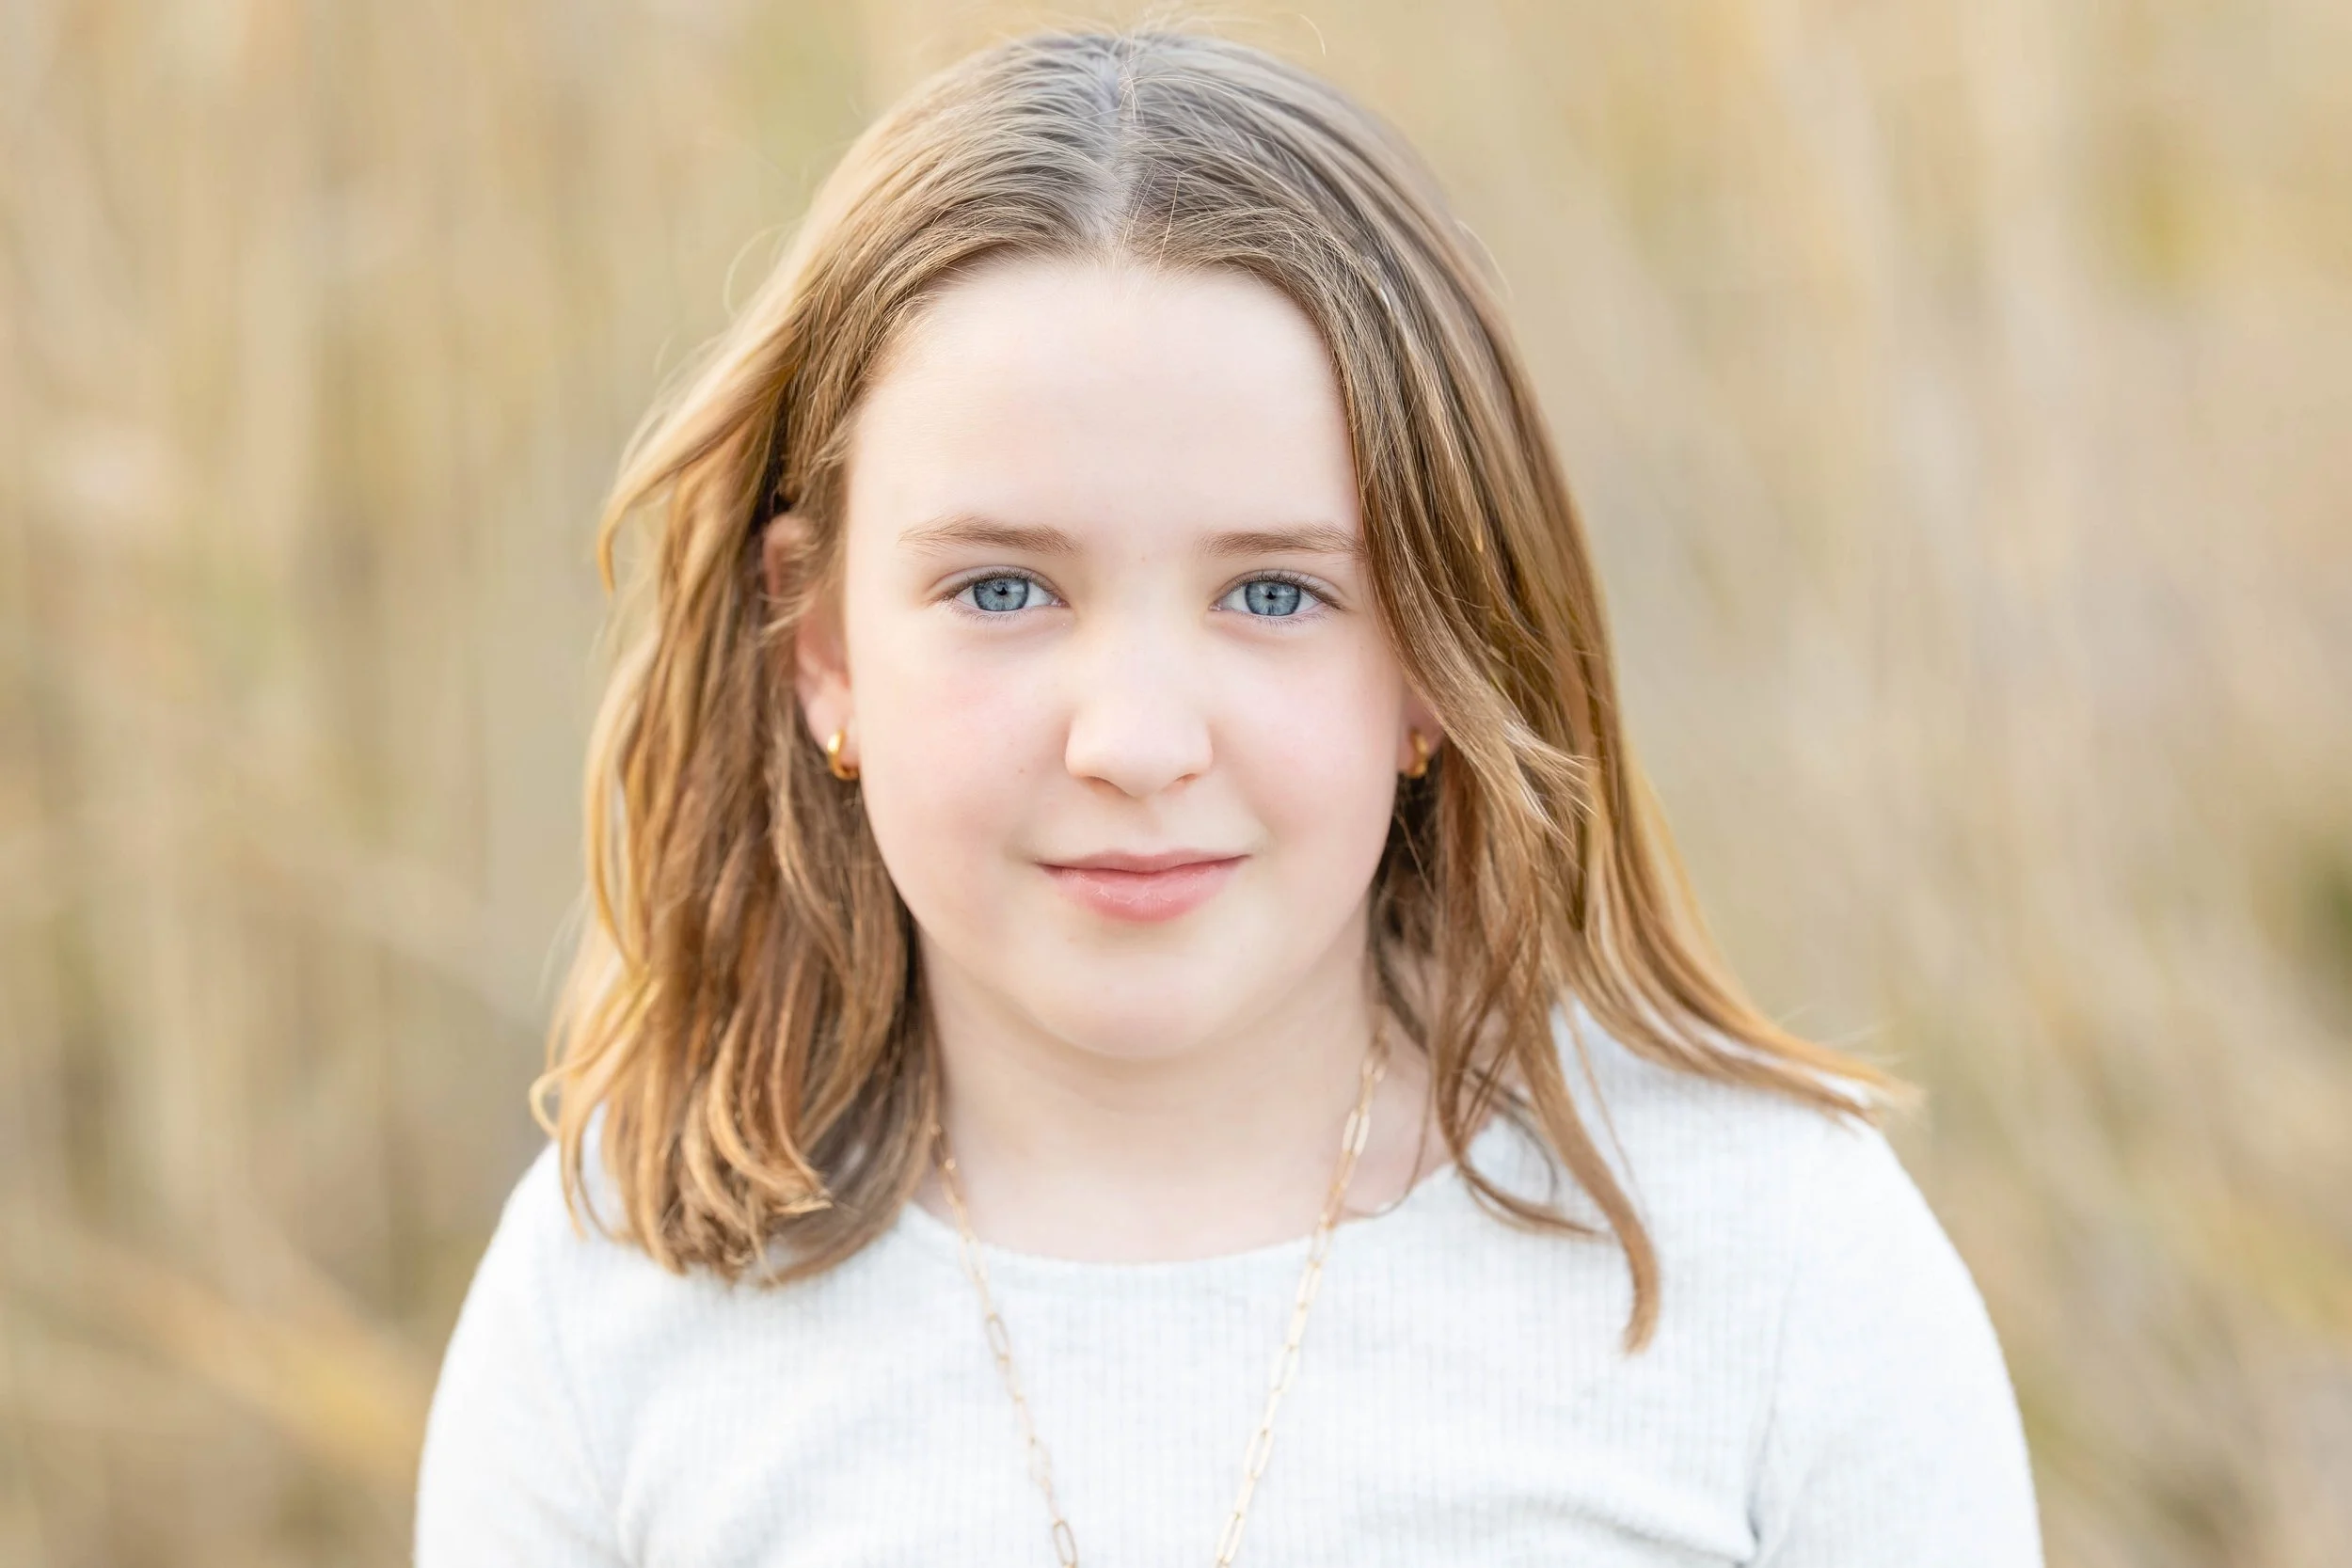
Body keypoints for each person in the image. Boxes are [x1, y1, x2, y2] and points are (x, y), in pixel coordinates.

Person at [413, 26, 2042, 1567]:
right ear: (822, 641)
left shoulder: (1772, 1268)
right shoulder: (612, 1301)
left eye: (1272, 595)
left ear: (1435, 661)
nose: (1134, 738)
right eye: (1000, 590)